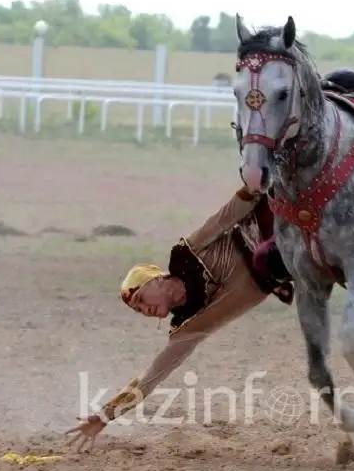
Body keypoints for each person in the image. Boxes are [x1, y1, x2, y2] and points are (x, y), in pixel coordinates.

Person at [65, 186, 293, 452]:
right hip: (283, 264)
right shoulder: (187, 328)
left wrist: (251, 189)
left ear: (157, 279)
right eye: (139, 310)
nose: (144, 310)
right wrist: (106, 414)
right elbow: (149, 378)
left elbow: (224, 218)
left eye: (141, 299)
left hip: (269, 221)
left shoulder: (188, 253)